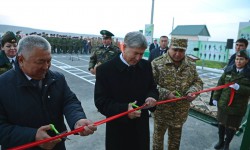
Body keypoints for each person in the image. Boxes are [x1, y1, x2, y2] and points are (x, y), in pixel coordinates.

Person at [0, 35, 97, 150]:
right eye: (40, 62)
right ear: (21, 60)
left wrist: (77, 120)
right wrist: (32, 136)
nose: (46, 67)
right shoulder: (3, 85)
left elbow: (69, 102)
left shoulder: (57, 79)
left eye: (49, 61)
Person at [94, 31, 159, 150]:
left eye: (142, 54)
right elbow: (101, 102)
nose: (138, 58)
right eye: (135, 53)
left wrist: (151, 97)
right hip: (118, 130)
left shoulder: (146, 66)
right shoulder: (105, 70)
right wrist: (124, 109)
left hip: (141, 129)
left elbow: (152, 88)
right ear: (123, 47)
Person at [151, 38, 203, 150]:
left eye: (181, 51)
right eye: (175, 50)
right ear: (169, 47)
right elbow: (150, 85)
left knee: (175, 142)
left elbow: (197, 82)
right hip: (162, 111)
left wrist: (192, 92)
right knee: (157, 140)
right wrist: (166, 93)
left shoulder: (190, 64)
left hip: (180, 111)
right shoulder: (157, 63)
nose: (178, 54)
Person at [212, 50, 250, 150]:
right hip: (224, 103)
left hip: (238, 106)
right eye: (237, 59)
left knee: (232, 127)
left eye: (241, 59)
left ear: (246, 60)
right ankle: (220, 141)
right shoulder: (228, 70)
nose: (238, 61)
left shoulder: (248, 74)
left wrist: (240, 88)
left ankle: (227, 144)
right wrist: (215, 98)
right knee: (221, 123)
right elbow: (220, 84)